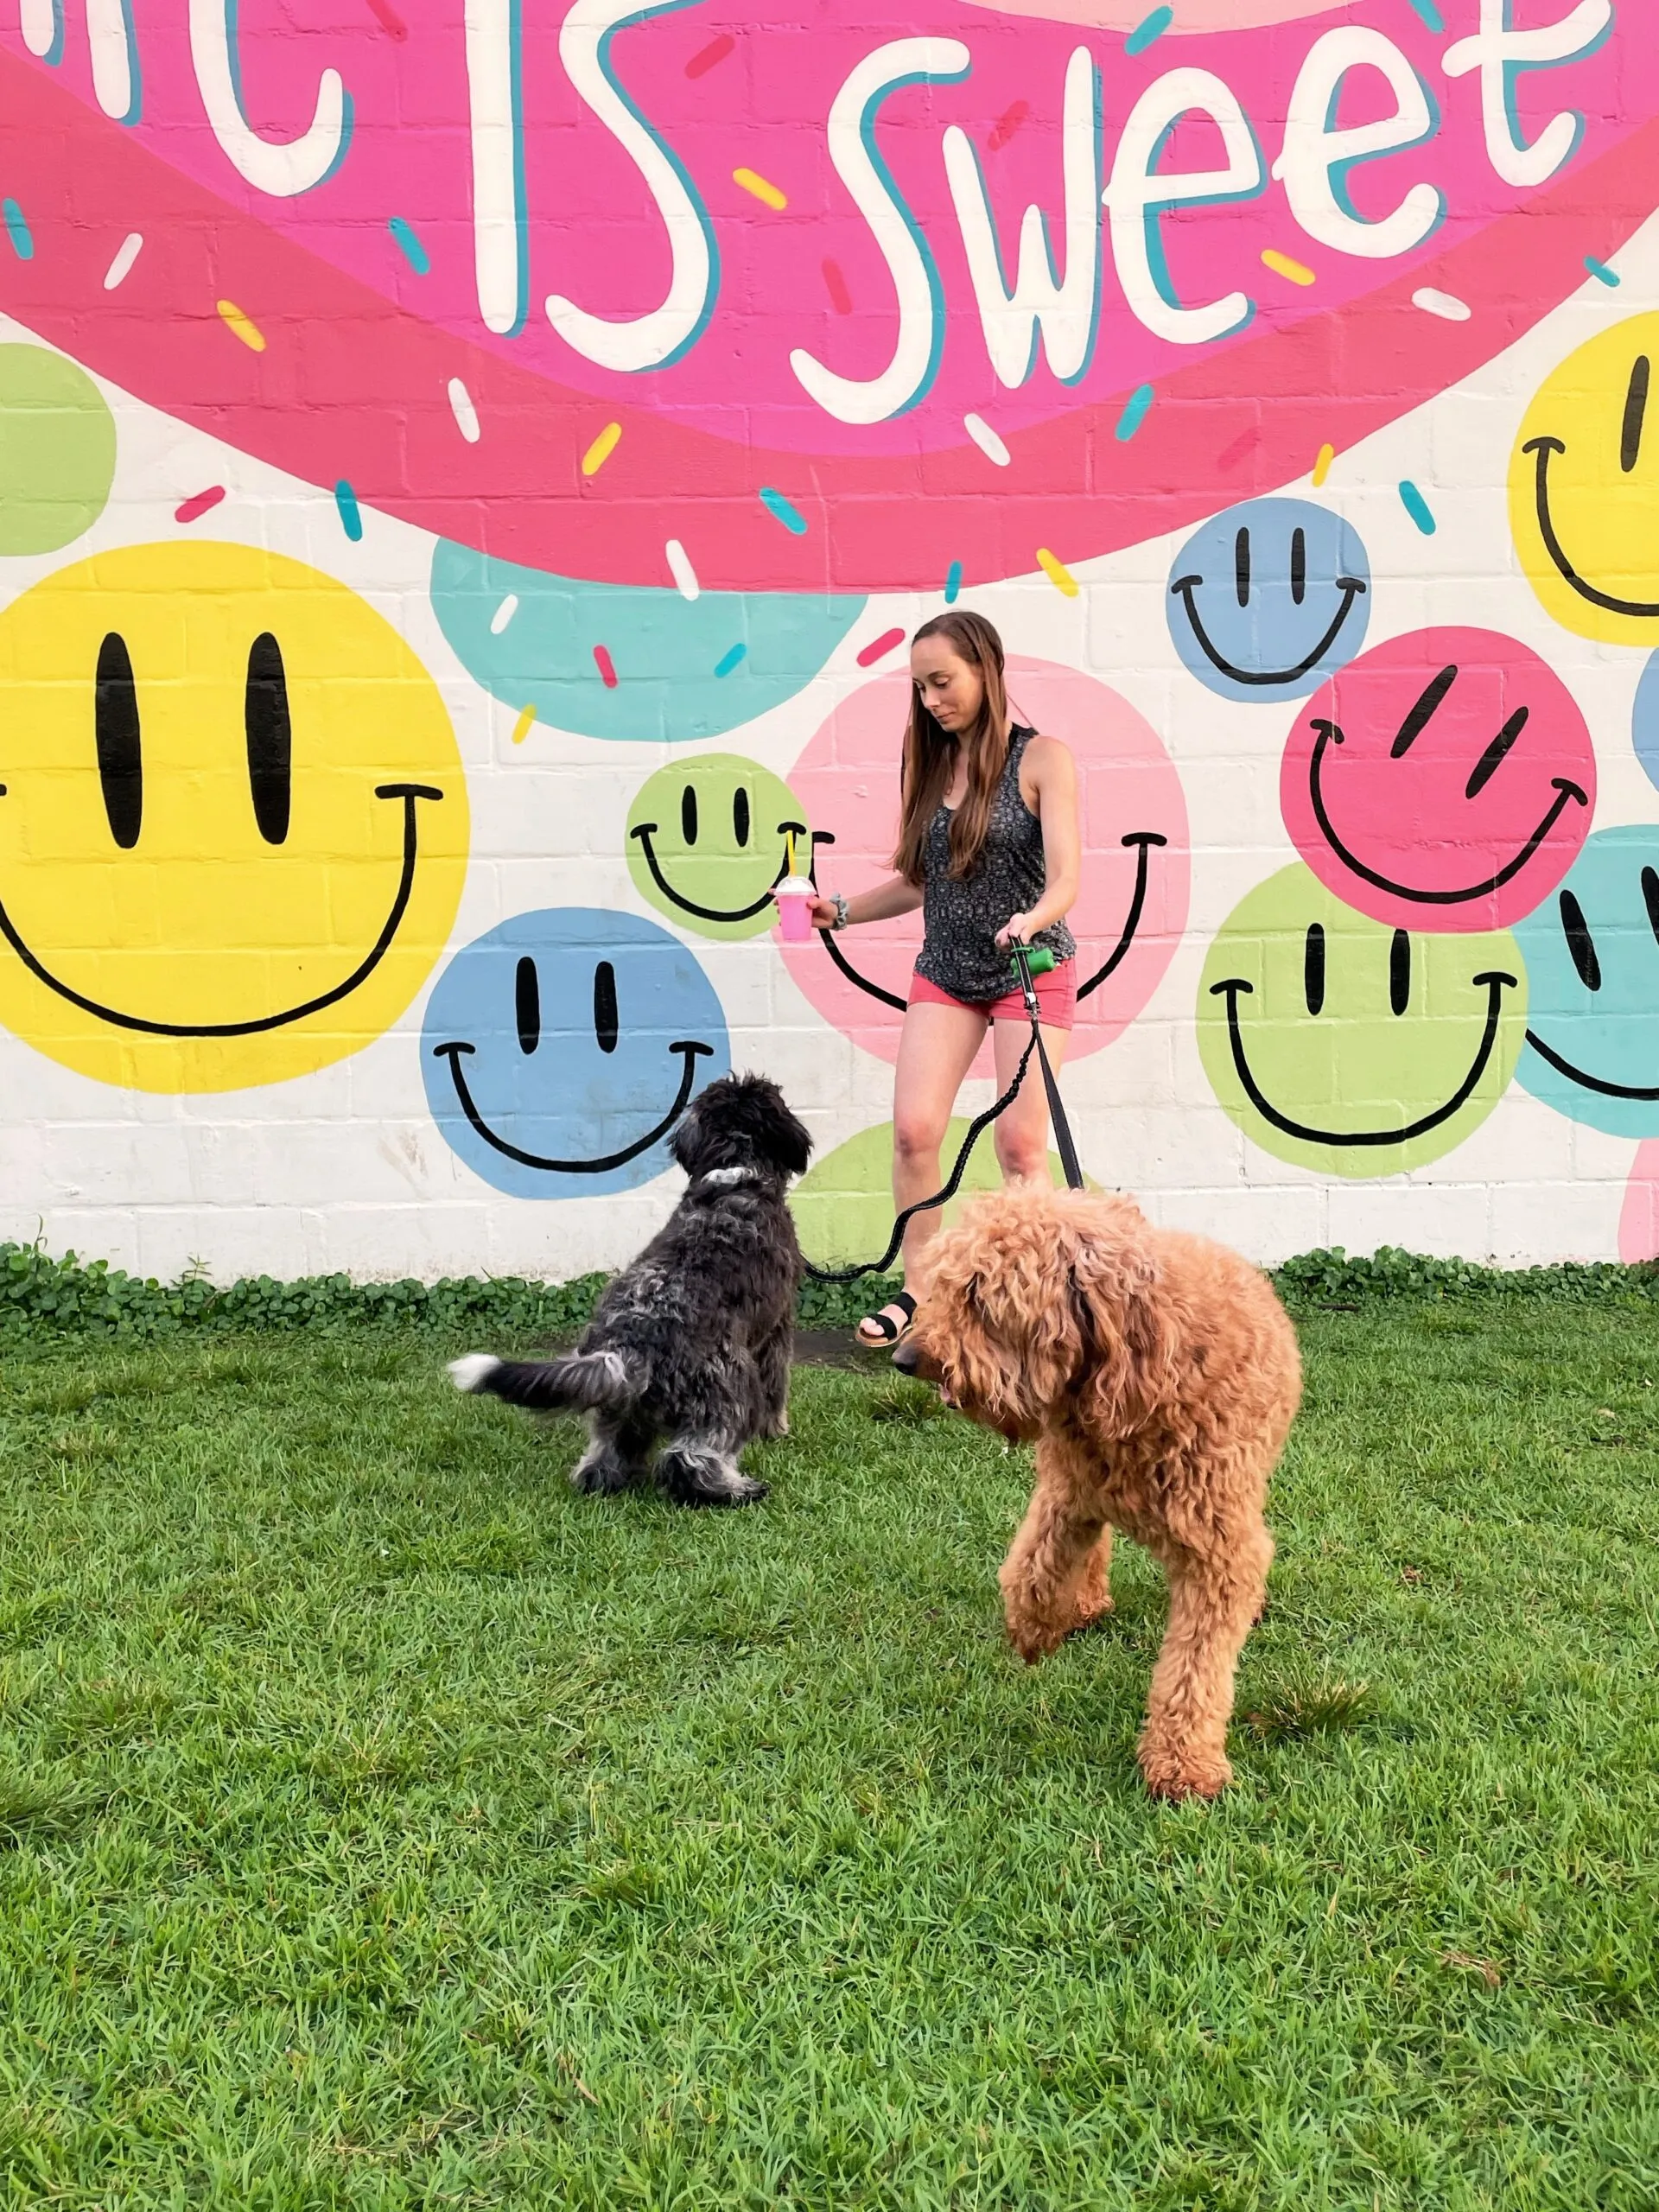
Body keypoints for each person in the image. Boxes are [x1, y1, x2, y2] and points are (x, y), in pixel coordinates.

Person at [796, 610, 1081, 1349]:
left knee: (1021, 1147)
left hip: (1028, 966)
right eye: (920, 687)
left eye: (943, 682)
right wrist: (843, 911)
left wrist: (1031, 918)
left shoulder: (1044, 758)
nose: (931, 700)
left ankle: (1033, 1303)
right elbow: (921, 882)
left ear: (987, 668)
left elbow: (1067, 881)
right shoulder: (928, 765)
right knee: (915, 1132)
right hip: (948, 969)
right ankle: (921, 1295)